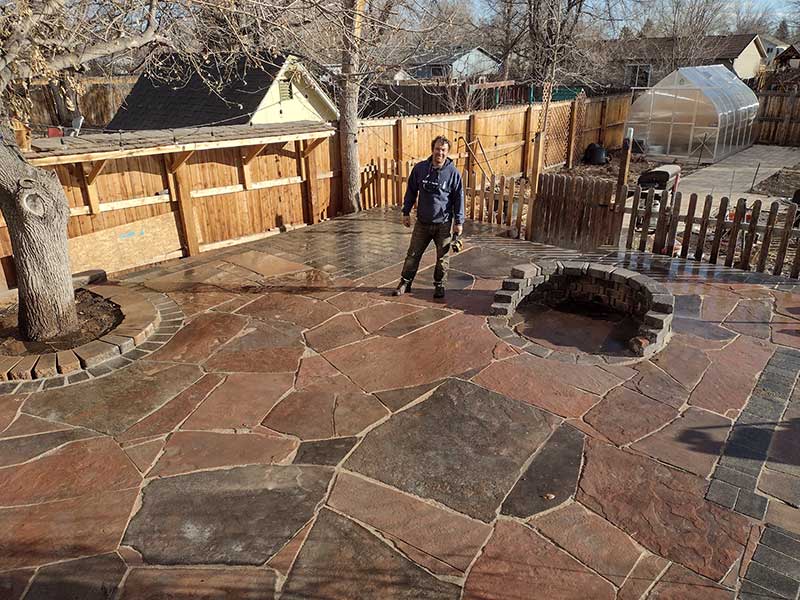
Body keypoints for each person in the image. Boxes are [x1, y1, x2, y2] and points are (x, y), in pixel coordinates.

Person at [394, 135, 464, 299]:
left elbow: (459, 198)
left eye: (443, 150)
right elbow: (411, 191)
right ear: (432, 150)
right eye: (437, 149)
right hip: (422, 223)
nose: (440, 152)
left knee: (442, 259)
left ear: (447, 153)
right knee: (412, 255)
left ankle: (439, 285)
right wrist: (406, 212)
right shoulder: (420, 169)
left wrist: (459, 222)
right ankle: (405, 282)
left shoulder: (453, 173)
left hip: (443, 224)